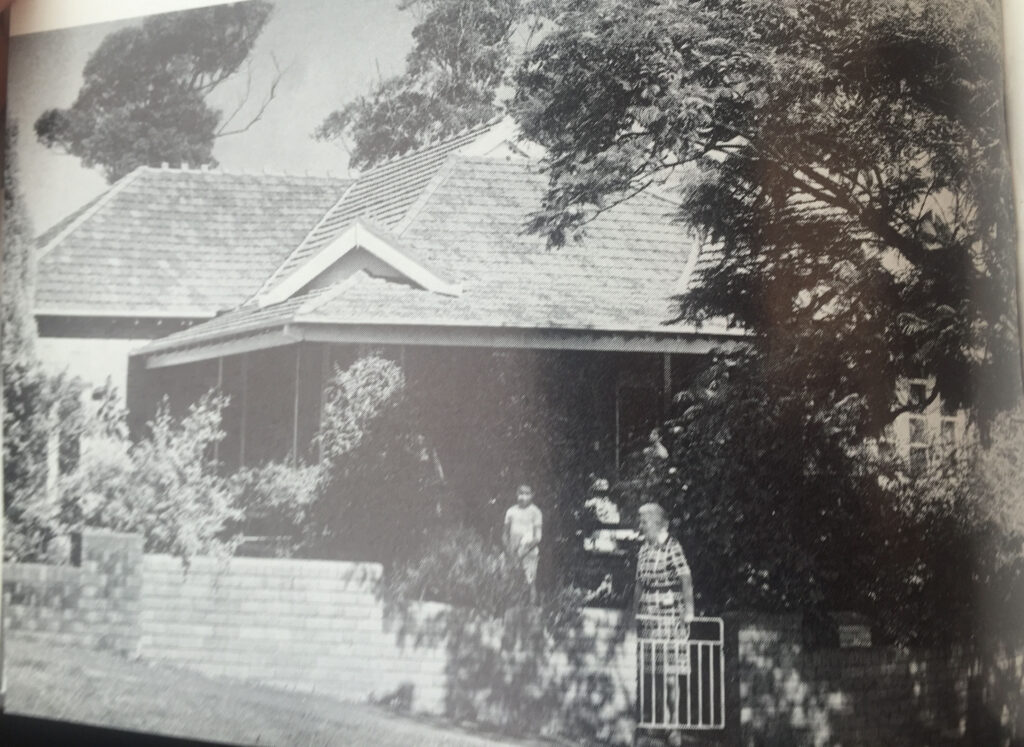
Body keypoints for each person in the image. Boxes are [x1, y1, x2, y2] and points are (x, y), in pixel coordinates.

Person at [633, 502, 694, 738]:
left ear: (658, 524)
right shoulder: (644, 549)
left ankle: (674, 724)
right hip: (649, 612)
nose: (640, 526)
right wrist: (633, 613)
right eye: (640, 521)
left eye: (644, 522)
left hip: (669, 613)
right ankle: (658, 720)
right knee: (653, 671)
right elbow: (639, 583)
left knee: (670, 675)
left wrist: (689, 612)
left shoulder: (672, 547)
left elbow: (685, 578)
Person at [504, 483, 543, 604]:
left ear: (532, 495)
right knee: (511, 582)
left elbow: (538, 537)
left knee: (530, 581)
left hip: (529, 552)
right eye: (521, 493)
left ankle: (531, 613)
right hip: (512, 552)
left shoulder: (535, 512)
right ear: (516, 494)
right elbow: (505, 533)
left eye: (527, 494)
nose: (523, 497)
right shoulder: (511, 511)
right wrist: (508, 548)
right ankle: (510, 612)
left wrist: (524, 549)